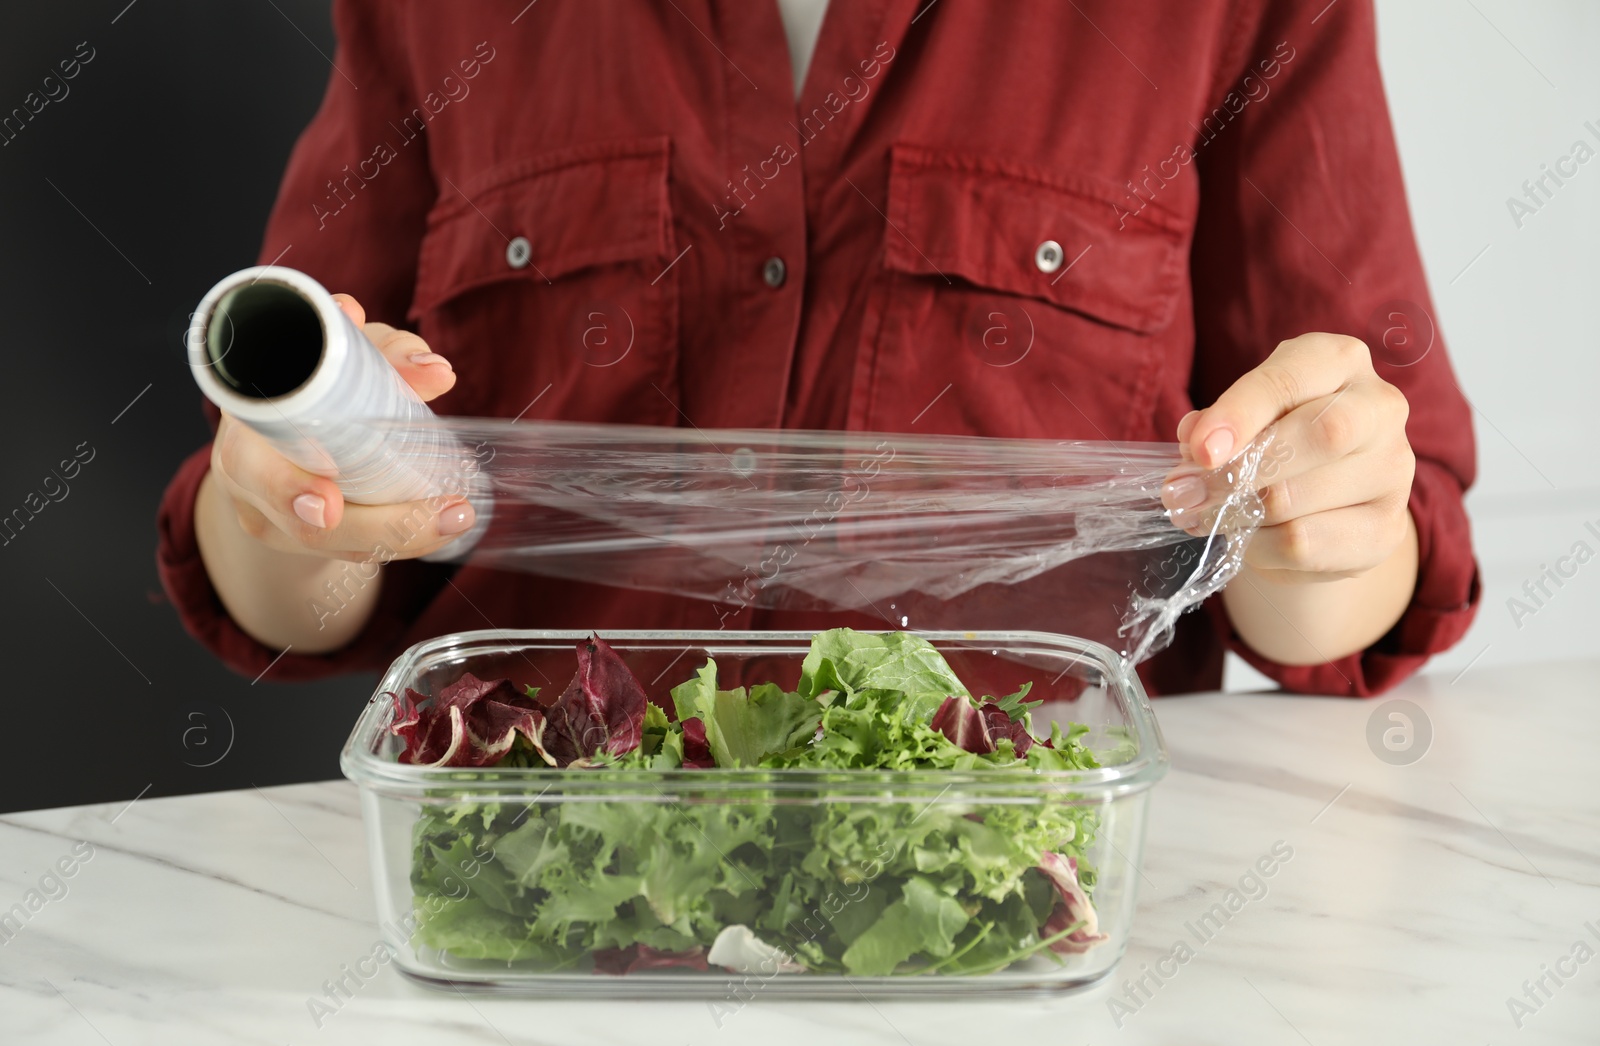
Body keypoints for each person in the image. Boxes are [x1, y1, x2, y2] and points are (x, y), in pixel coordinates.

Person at [158, 0, 1479, 697]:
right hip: (533, 904)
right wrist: (282, 512)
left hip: (1030, 903)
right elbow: (306, 573)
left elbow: (1351, 582)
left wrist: (1324, 516)